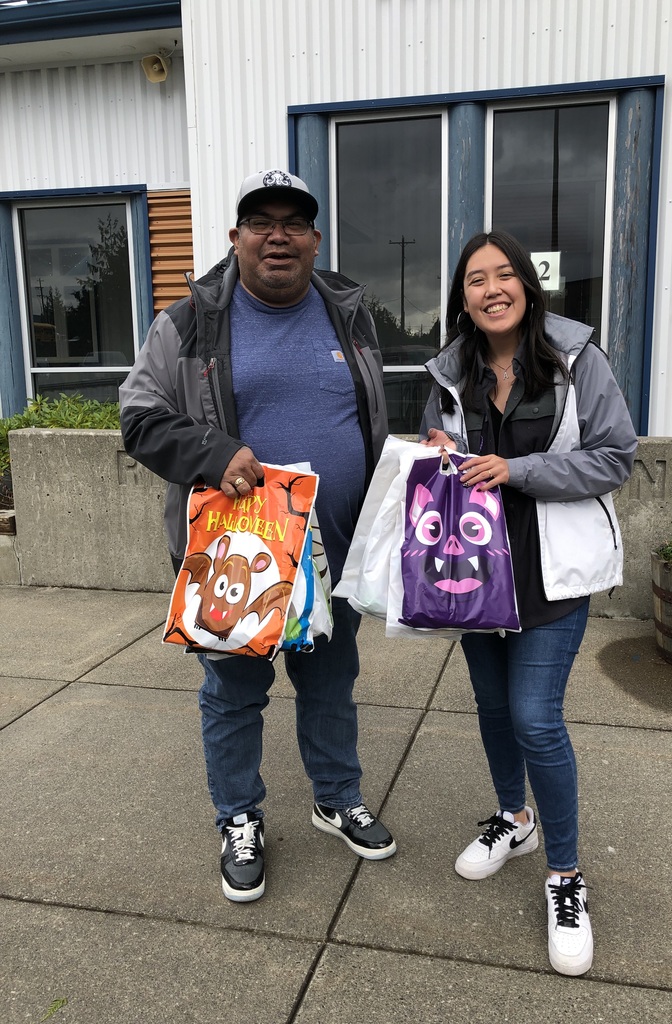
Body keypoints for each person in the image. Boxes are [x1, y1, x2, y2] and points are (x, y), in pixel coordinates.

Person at [120, 168, 396, 904]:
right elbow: (138, 418)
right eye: (261, 221)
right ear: (235, 238)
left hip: (332, 557)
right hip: (238, 558)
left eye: (294, 223)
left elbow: (370, 421)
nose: (279, 235)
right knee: (235, 695)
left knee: (332, 688)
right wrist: (213, 454)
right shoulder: (189, 323)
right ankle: (239, 816)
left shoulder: (351, 314)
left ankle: (336, 797)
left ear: (313, 239)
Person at [419, 230, 637, 976]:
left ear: (528, 285)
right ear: (463, 299)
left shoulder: (576, 361)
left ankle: (566, 878)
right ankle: (514, 821)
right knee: (490, 708)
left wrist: (516, 469)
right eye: (475, 280)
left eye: (503, 274)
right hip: (474, 574)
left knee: (535, 718)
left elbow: (614, 456)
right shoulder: (453, 372)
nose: (490, 289)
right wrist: (435, 454)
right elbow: (438, 453)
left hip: (551, 575)